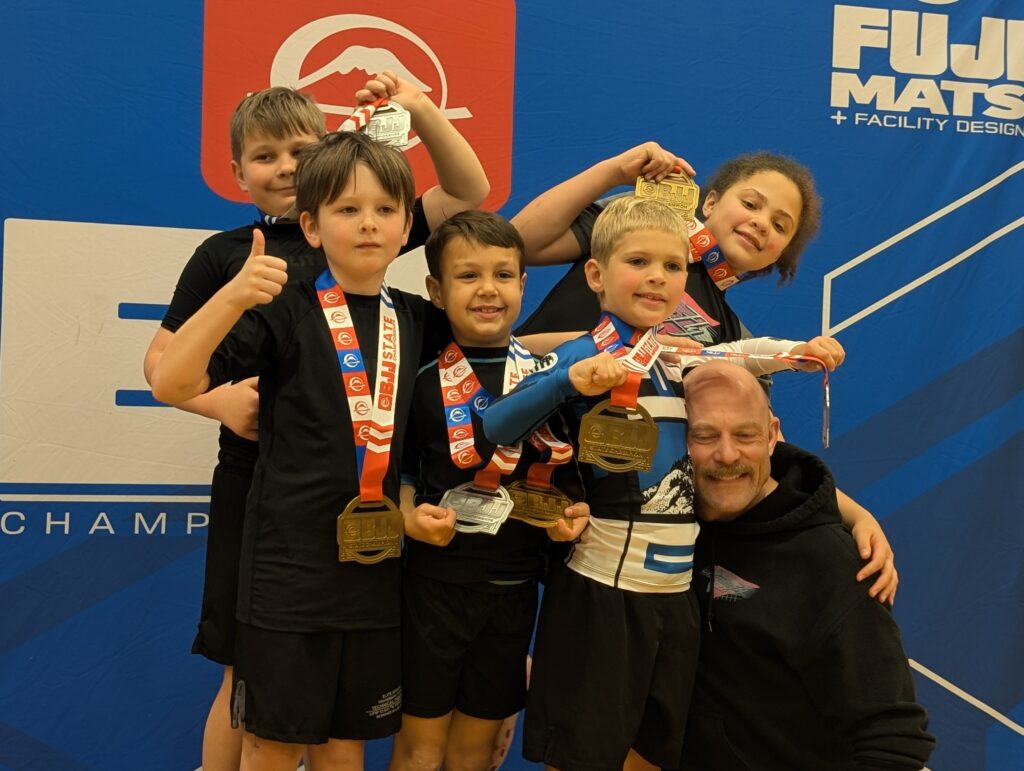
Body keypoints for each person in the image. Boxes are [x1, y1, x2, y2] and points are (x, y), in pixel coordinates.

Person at [142, 74, 488, 771]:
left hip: (371, 552)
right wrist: (232, 317)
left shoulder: (412, 316)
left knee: (344, 735)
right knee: (263, 715)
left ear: (403, 225)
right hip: (281, 539)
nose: (367, 221)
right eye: (348, 208)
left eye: (385, 209)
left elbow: (471, 200)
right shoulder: (253, 280)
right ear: (311, 220)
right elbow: (169, 375)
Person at [483, 196, 830, 771]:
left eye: (672, 266)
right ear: (595, 274)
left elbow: (735, 354)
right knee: (583, 756)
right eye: (639, 262)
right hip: (601, 594)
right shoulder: (581, 354)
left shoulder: (674, 358)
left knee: (653, 752)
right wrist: (568, 380)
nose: (657, 277)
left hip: (676, 599)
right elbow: (496, 424)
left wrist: (795, 353)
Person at [512, 143, 898, 605]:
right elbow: (519, 243)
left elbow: (746, 451)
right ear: (708, 202)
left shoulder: (737, 344)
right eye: (751, 203)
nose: (760, 222)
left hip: (588, 512)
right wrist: (614, 171)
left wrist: (856, 516)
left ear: (778, 255)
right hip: (502, 443)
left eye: (780, 225)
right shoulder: (642, 226)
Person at [388, 210, 590, 771]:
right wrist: (407, 516)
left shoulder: (551, 376)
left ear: (524, 284)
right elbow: (398, 472)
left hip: (516, 590)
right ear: (435, 289)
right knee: (419, 747)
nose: (488, 289)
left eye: (504, 275)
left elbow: (567, 480)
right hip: (433, 587)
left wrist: (565, 519)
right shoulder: (418, 377)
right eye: (468, 275)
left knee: (476, 749)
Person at [677, 361, 935, 770]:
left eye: (745, 435)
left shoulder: (830, 562)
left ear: (773, 435)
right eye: (704, 436)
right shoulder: (664, 524)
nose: (727, 454)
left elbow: (894, 744)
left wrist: (860, 519)